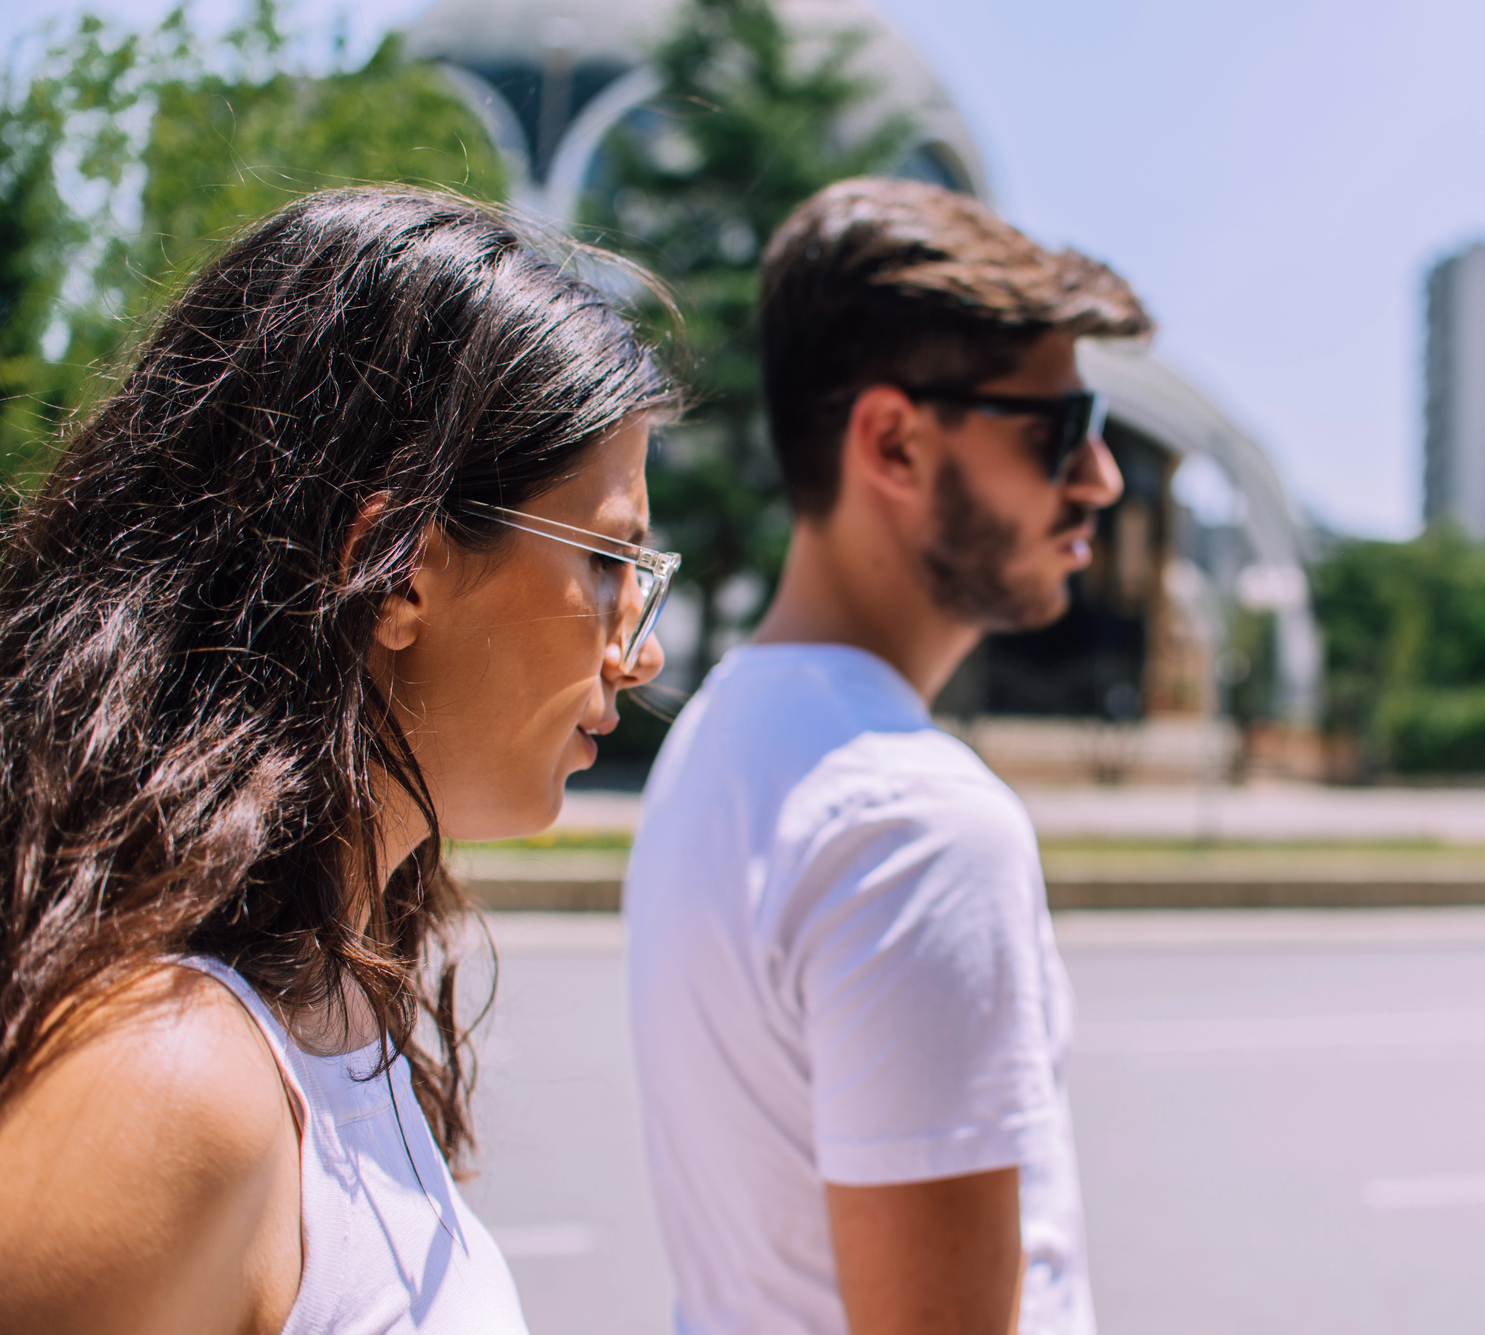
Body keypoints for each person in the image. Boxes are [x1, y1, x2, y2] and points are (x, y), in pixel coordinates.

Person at [0, 188, 675, 1332]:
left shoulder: (329, 983)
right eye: (606, 563)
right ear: (399, 564)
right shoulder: (171, 1083)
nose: (640, 651)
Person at [624, 177, 1152, 1335]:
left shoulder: (719, 739)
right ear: (895, 442)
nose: (1100, 479)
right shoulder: (914, 822)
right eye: (1058, 431)